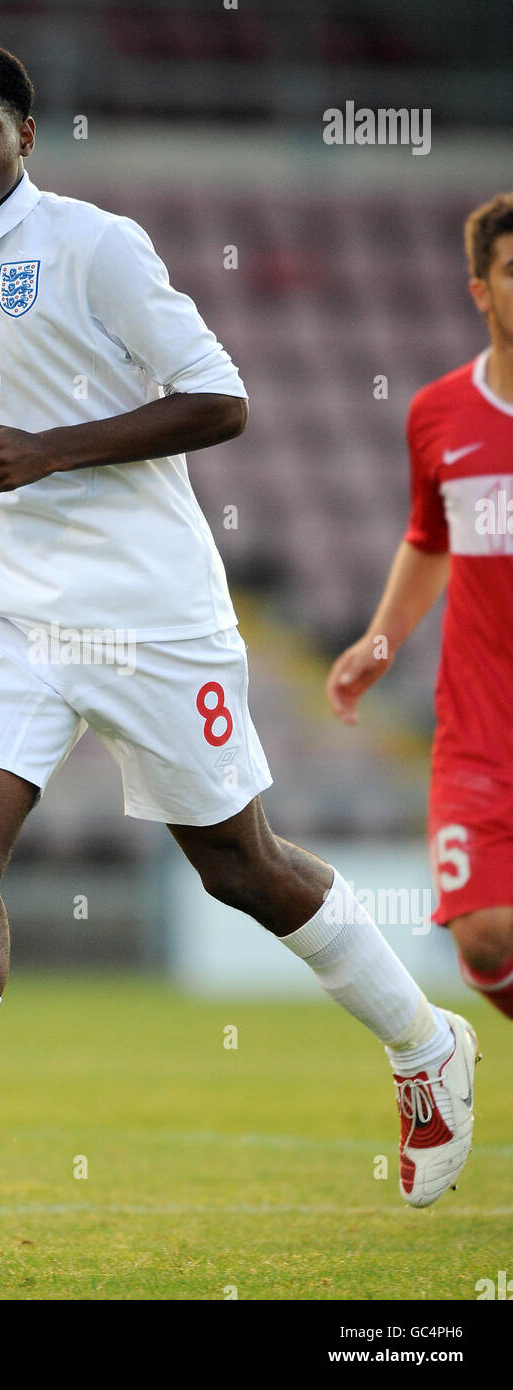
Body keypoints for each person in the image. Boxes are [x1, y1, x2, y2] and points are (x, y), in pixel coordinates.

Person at [0, 40, 478, 1273]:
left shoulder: (95, 245)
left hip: (150, 611)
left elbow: (221, 400)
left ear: (26, 137)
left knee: (242, 865)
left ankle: (423, 1042)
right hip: (3, 611)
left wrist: (54, 450)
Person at [328, 192, 513, 1021]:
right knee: (483, 937)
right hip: (481, 726)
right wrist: (378, 642)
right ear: (480, 290)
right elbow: (430, 539)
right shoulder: (438, 414)